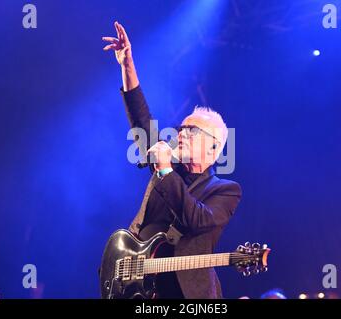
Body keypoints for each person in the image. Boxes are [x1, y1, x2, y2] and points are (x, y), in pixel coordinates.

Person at [102, 22, 242, 299]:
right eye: (181, 129)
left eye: (191, 130)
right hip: (135, 285)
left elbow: (196, 219)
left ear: (214, 149)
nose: (180, 134)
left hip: (183, 294)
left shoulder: (225, 190)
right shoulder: (167, 168)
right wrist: (127, 65)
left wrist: (166, 171)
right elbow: (142, 125)